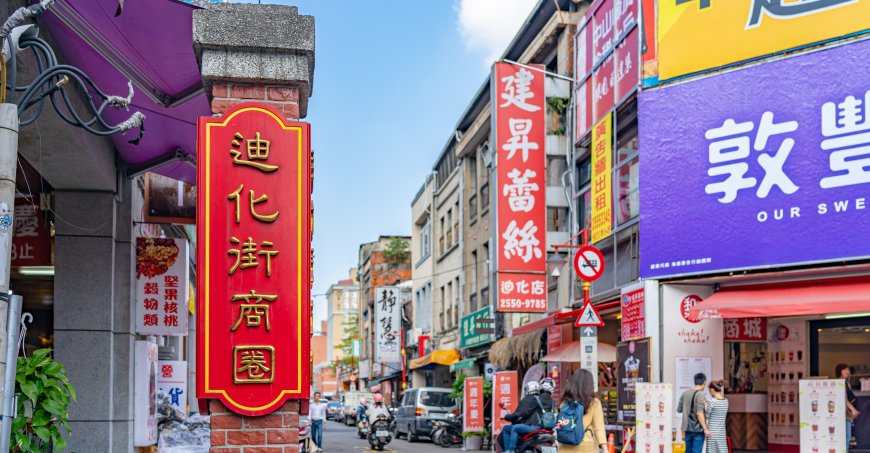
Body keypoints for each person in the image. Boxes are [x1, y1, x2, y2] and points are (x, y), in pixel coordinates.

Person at [556, 369, 607, 453]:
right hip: (586, 446)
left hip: (565, 444)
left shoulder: (564, 402)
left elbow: (560, 423)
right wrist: (605, 449)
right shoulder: (594, 403)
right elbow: (599, 428)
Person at [502, 380, 554, 453]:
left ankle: (511, 450)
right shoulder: (552, 401)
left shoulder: (535, 399)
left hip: (536, 427)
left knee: (515, 428)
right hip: (547, 428)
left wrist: (517, 417)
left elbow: (525, 412)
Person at [678, 373, 711, 453]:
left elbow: (679, 409)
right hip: (697, 430)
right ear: (704, 383)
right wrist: (705, 429)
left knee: (688, 451)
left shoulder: (685, 393)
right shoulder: (701, 395)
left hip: (687, 429)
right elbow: (699, 413)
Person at [837, 364, 860, 450]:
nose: (847, 371)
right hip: (844, 413)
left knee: (847, 437)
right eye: (844, 370)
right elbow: (844, 399)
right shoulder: (840, 382)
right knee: (846, 437)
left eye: (848, 370)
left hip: (847, 412)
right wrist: (853, 410)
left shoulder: (846, 382)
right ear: (839, 371)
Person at [704, 381, 729, 453]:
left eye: (709, 391)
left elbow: (706, 415)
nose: (710, 393)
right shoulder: (726, 401)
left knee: (712, 451)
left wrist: (705, 406)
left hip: (712, 432)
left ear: (712, 389)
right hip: (722, 432)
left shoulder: (712, 401)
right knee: (722, 450)